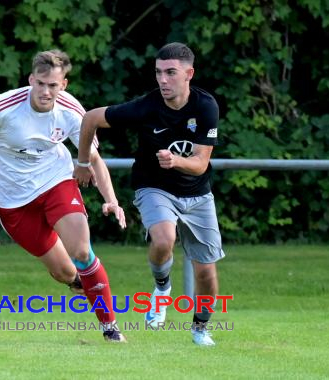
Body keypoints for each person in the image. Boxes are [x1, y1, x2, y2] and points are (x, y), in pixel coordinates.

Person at [0, 49, 127, 343]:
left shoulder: (72, 110)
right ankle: (83, 282)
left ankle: (111, 330)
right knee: (63, 272)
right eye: (41, 84)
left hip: (56, 181)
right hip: (11, 201)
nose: (46, 92)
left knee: (82, 251)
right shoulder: (3, 107)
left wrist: (111, 199)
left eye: (53, 86)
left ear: (64, 85)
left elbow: (94, 158)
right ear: (31, 80)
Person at [74, 42, 225, 346]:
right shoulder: (146, 106)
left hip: (197, 194)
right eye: (158, 73)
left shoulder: (205, 106)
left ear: (189, 74)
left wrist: (176, 161)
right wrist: (82, 162)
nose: (163, 80)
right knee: (163, 238)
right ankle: (162, 287)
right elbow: (90, 118)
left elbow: (199, 165)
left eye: (171, 73)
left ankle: (199, 328)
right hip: (154, 188)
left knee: (206, 273)